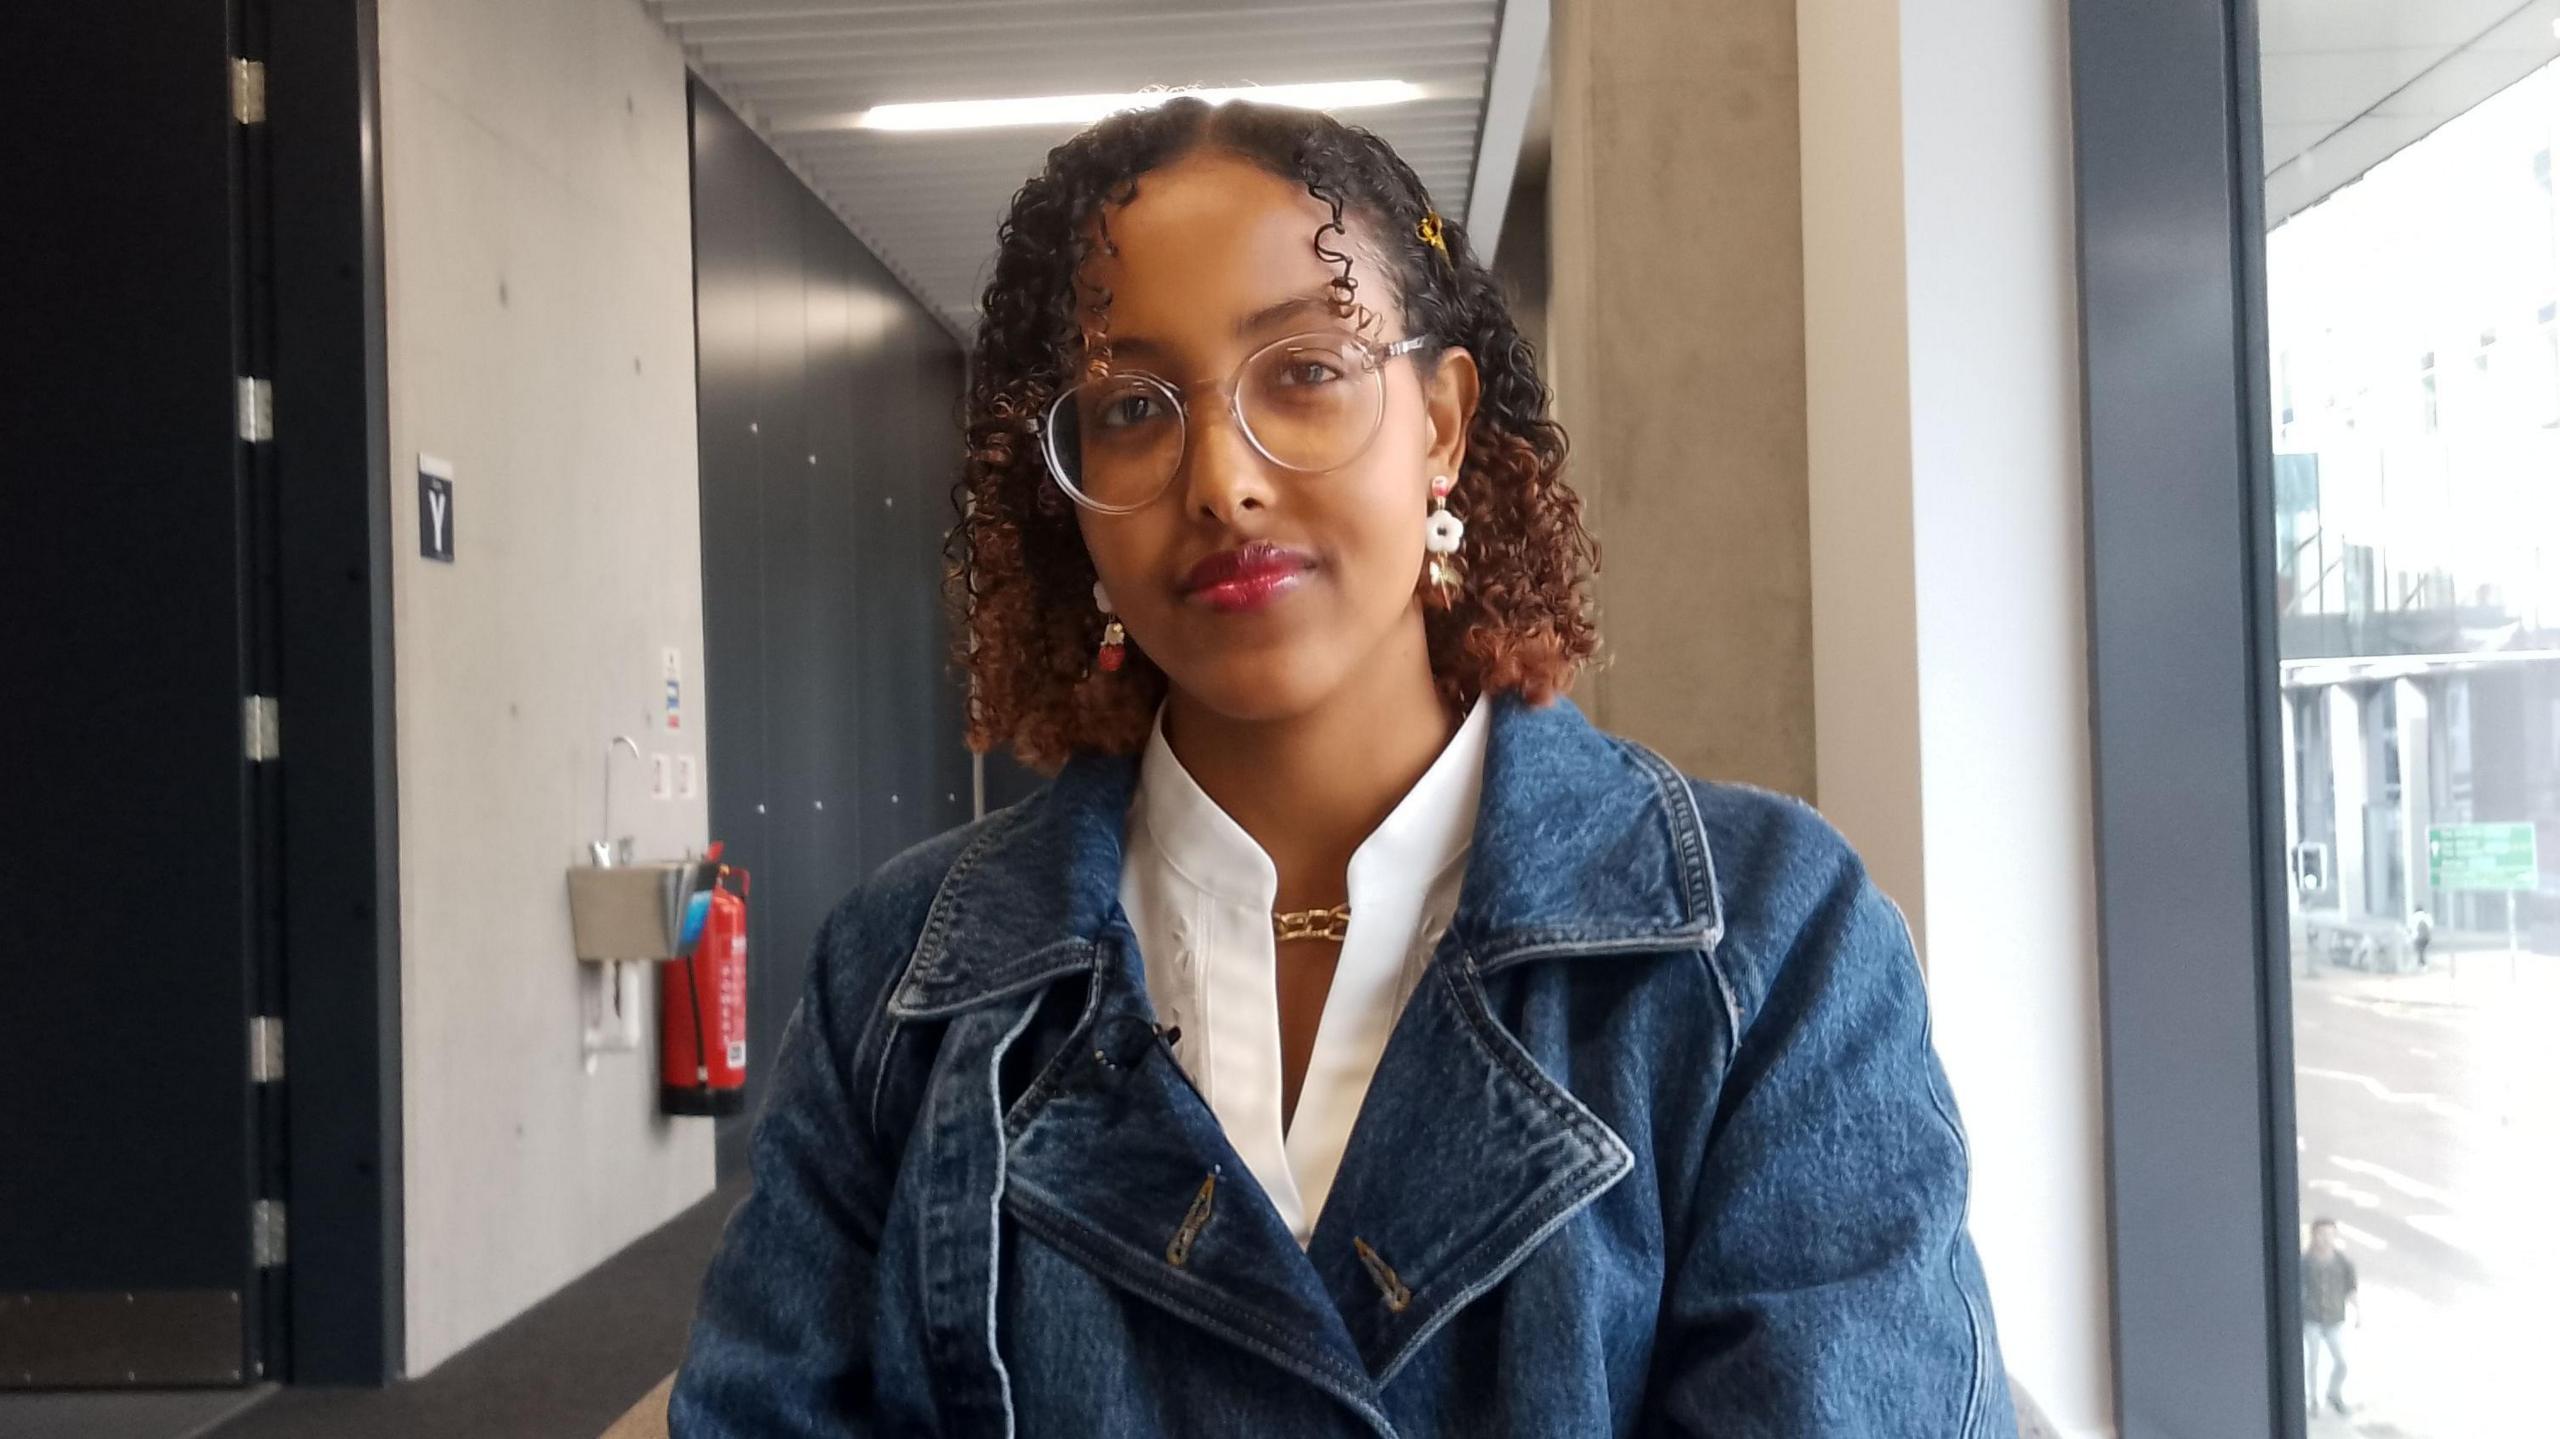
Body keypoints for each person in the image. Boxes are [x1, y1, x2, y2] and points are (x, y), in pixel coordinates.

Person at [670, 96, 2015, 1437]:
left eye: (1304, 369)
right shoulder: (904, 975)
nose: (1222, 481)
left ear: (1440, 418)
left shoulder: (1766, 941)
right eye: (1133, 406)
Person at [2302, 1218, 2360, 1416]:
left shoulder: (2343, 1262)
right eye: (2321, 1234)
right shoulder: (2304, 1262)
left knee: (2341, 1362)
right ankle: (2313, 1402)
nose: (2325, 1239)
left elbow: (2351, 1288)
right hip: (2311, 1318)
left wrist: (2359, 1312)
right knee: (2313, 1361)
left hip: (2334, 1318)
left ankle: (2333, 1394)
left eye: (2329, 1235)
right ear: (2314, 1236)